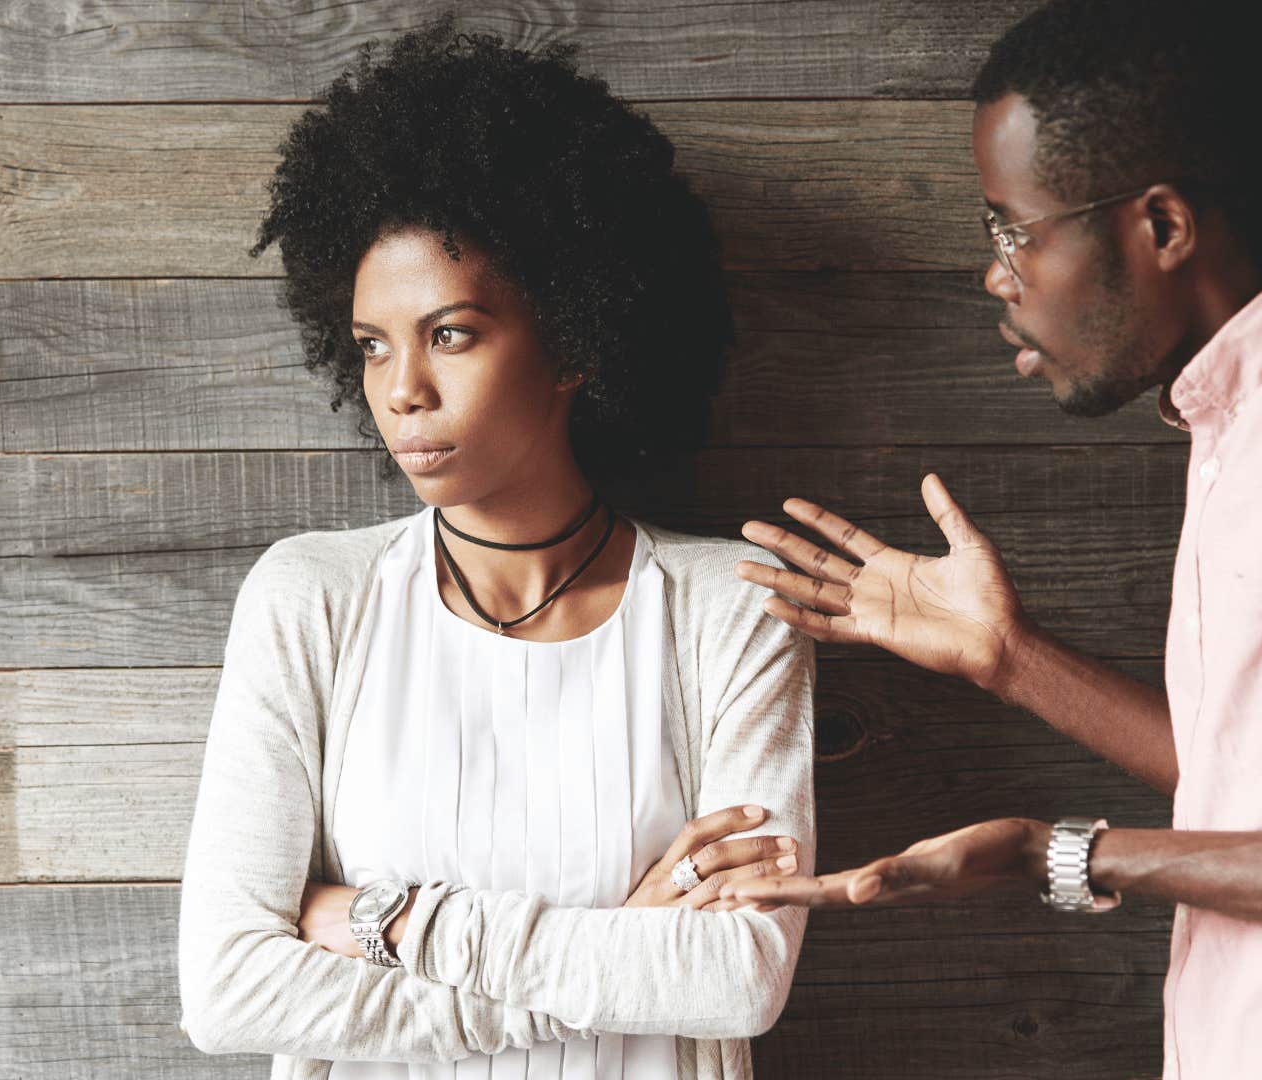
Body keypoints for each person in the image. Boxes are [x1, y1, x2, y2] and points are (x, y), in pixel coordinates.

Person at [722, 1, 1262, 1076]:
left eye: (1015, 228)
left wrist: (1067, 855)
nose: (998, 274)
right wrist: (1011, 660)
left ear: (1165, 227)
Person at [176, 22, 816, 1080]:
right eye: (373, 345)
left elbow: (737, 979)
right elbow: (229, 990)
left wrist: (389, 919)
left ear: (572, 335)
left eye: (452, 334)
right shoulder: (312, 600)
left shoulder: (729, 609)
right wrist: (608, 951)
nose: (401, 389)